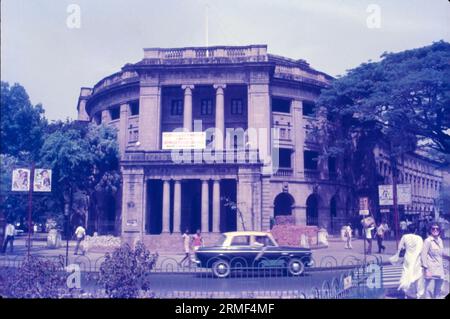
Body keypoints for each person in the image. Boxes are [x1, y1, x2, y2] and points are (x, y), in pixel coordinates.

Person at [390, 224, 424, 299]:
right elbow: (420, 250)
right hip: (416, 259)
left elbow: (400, 247)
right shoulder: (419, 238)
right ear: (416, 230)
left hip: (407, 258)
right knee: (417, 275)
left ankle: (407, 293)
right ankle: (418, 294)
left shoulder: (405, 237)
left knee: (406, 273)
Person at [421, 223, 446, 299]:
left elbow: (441, 253)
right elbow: (423, 256)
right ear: (430, 230)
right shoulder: (427, 241)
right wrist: (426, 269)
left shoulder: (440, 240)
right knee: (429, 291)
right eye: (433, 228)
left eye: (437, 228)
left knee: (438, 291)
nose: (435, 230)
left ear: (439, 230)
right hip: (431, 270)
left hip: (440, 270)